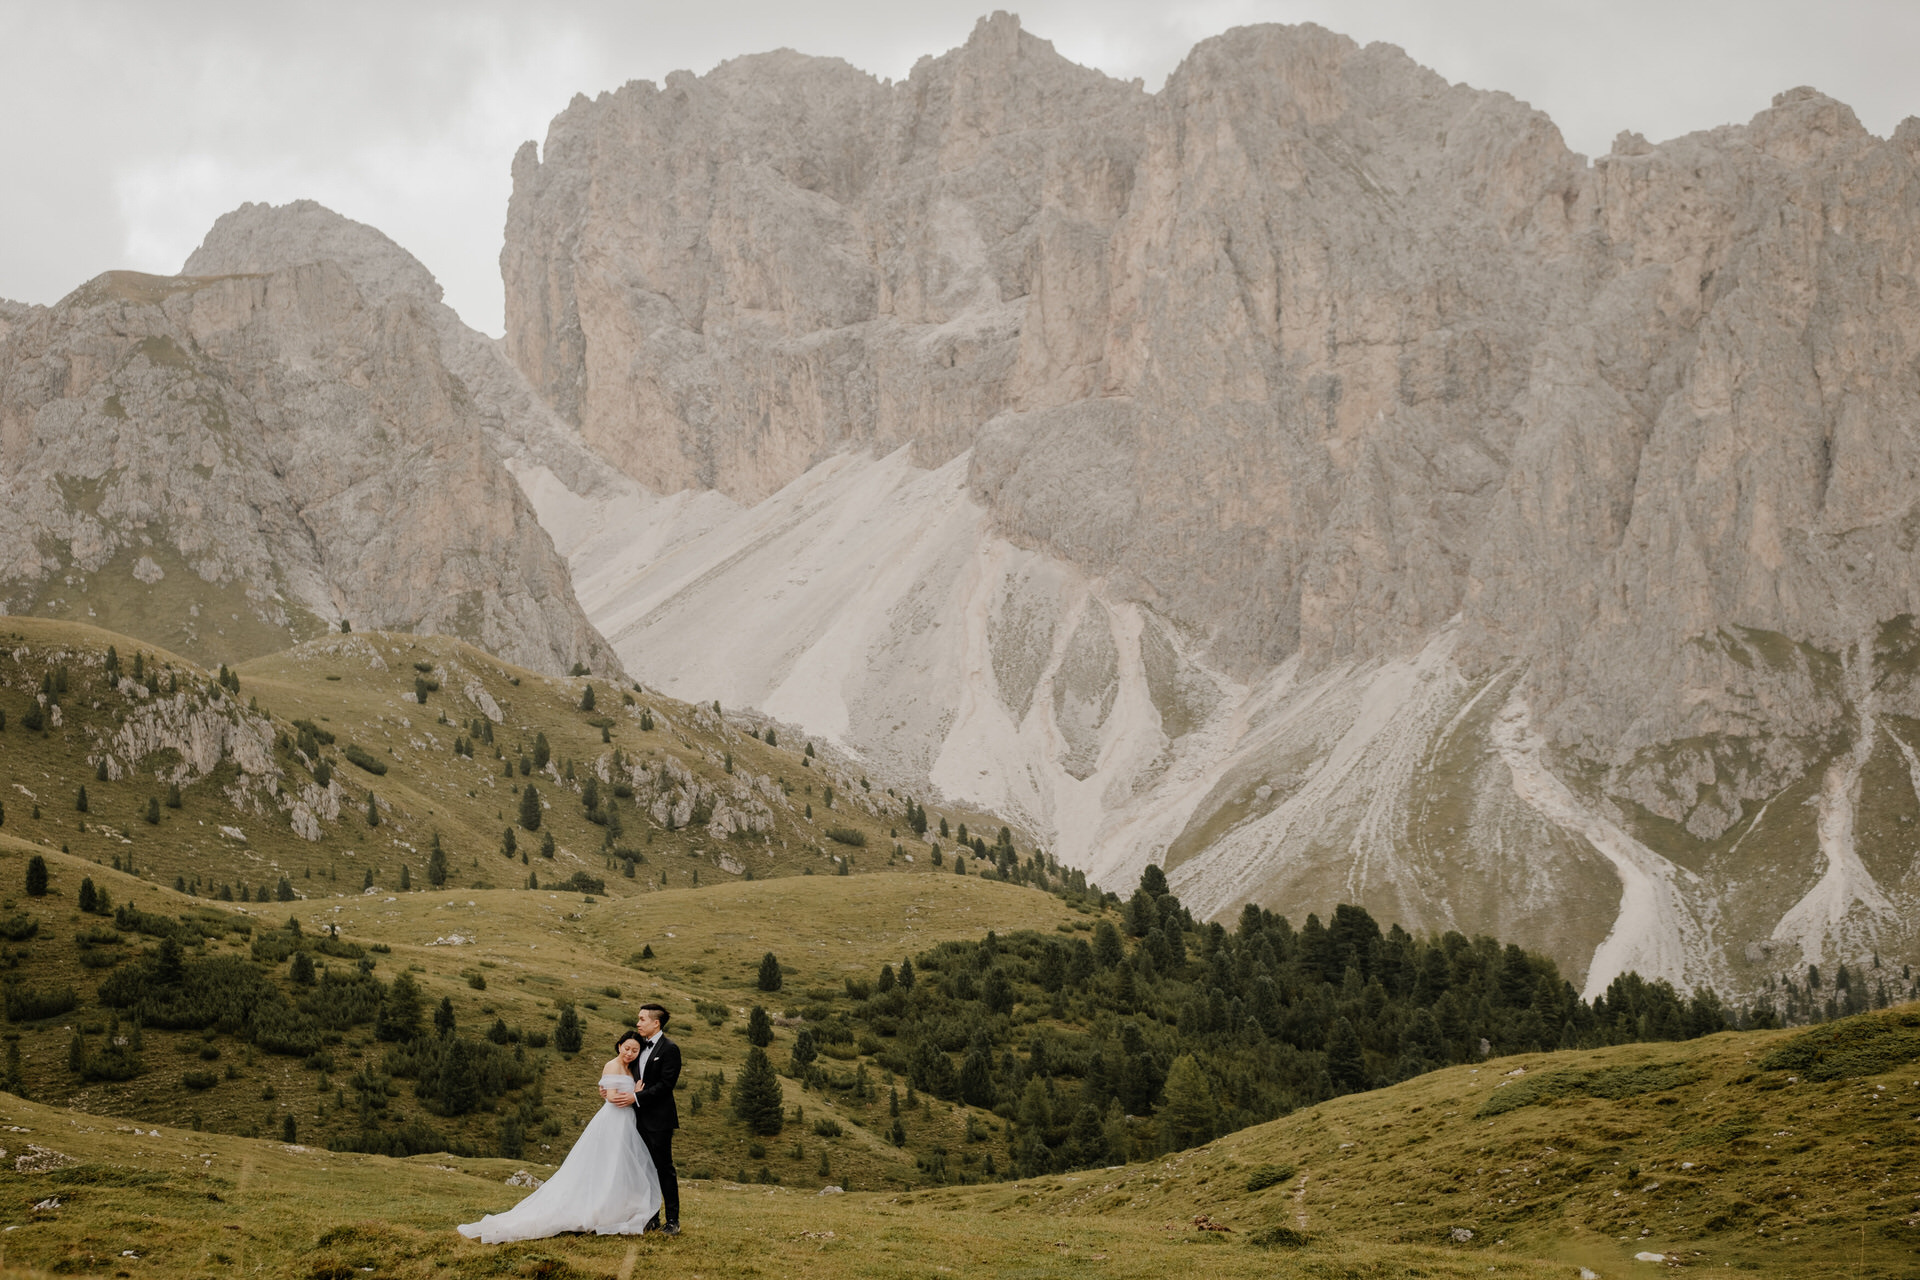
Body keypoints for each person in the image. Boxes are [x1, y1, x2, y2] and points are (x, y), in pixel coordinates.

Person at [456, 1032, 661, 1242]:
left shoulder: (630, 1068)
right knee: (605, 1163)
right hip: (613, 1120)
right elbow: (611, 1097)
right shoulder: (612, 1065)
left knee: (617, 1165)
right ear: (619, 1046)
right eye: (627, 1048)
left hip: (626, 1121)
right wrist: (635, 1094)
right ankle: (596, 1208)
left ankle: (613, 1206)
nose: (630, 1053)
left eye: (634, 1050)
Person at [623, 1003, 681, 1235]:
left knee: (663, 1169)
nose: (638, 1023)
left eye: (642, 1019)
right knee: (644, 1169)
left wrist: (636, 1098)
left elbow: (666, 1086)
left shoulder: (670, 1049)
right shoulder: (638, 1046)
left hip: (659, 1119)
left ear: (655, 1023)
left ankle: (673, 1220)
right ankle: (651, 1217)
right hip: (636, 1119)